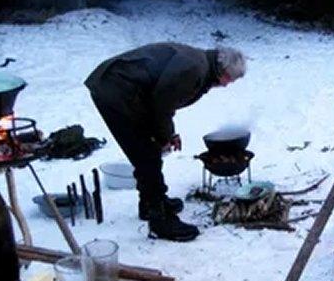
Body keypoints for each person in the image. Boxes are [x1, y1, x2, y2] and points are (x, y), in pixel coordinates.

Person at [85, 42, 246, 242]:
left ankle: (151, 204)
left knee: (148, 149)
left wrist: (167, 135)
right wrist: (164, 137)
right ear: (221, 69)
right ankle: (160, 221)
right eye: (228, 79)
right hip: (115, 90)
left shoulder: (201, 65)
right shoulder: (194, 69)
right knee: (146, 154)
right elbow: (161, 105)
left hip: (129, 91)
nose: (226, 84)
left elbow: (164, 102)